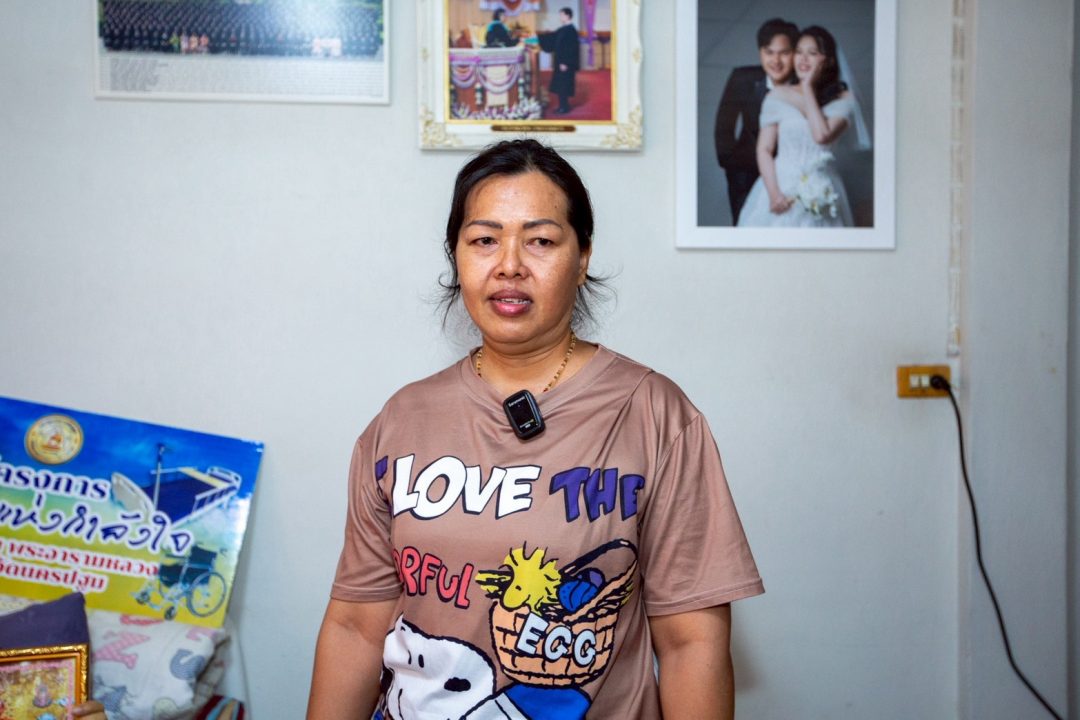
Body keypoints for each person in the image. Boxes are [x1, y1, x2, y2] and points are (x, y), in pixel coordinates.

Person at [307, 139, 763, 719]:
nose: (510, 265)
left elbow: (691, 644)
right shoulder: (401, 419)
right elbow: (355, 626)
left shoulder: (655, 415)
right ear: (456, 256)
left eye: (541, 240)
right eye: (484, 240)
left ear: (583, 256)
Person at [737, 25, 863, 228]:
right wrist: (774, 194)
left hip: (823, 185)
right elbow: (764, 149)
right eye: (798, 52)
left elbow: (821, 136)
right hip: (780, 184)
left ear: (829, 60)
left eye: (812, 53)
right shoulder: (777, 95)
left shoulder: (845, 99)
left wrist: (807, 87)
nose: (803, 59)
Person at [713, 18, 799, 224]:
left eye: (784, 53)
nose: (776, 61)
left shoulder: (804, 87)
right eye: (769, 52)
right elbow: (724, 126)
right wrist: (732, 167)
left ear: (795, 54)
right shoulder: (742, 78)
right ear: (760, 52)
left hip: (789, 175)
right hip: (745, 173)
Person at [537, 8, 580, 115]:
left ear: (567, 16)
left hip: (565, 63)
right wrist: (538, 37)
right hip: (560, 61)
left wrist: (565, 63)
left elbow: (571, 49)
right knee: (560, 85)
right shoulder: (563, 29)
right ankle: (563, 105)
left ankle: (564, 107)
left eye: (561, 15)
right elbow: (553, 38)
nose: (560, 17)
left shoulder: (571, 30)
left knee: (564, 85)